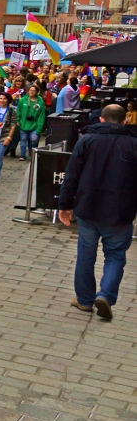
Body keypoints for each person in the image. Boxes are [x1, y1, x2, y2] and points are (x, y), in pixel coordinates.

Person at [58, 104, 137, 321]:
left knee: (86, 254)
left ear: (101, 119)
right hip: (120, 210)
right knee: (115, 255)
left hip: (88, 206)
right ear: (124, 120)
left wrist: (64, 205)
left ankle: (84, 299)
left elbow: (71, 175)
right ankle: (105, 295)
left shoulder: (86, 140)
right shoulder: (133, 144)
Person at [15, 84, 46, 159]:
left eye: (34, 90)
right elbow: (18, 111)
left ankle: (31, 151)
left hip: (35, 126)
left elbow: (41, 115)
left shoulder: (40, 101)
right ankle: (22, 155)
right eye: (30, 90)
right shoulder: (23, 100)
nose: (31, 92)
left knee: (34, 140)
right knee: (23, 140)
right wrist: (18, 121)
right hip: (23, 124)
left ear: (37, 92)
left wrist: (40, 126)